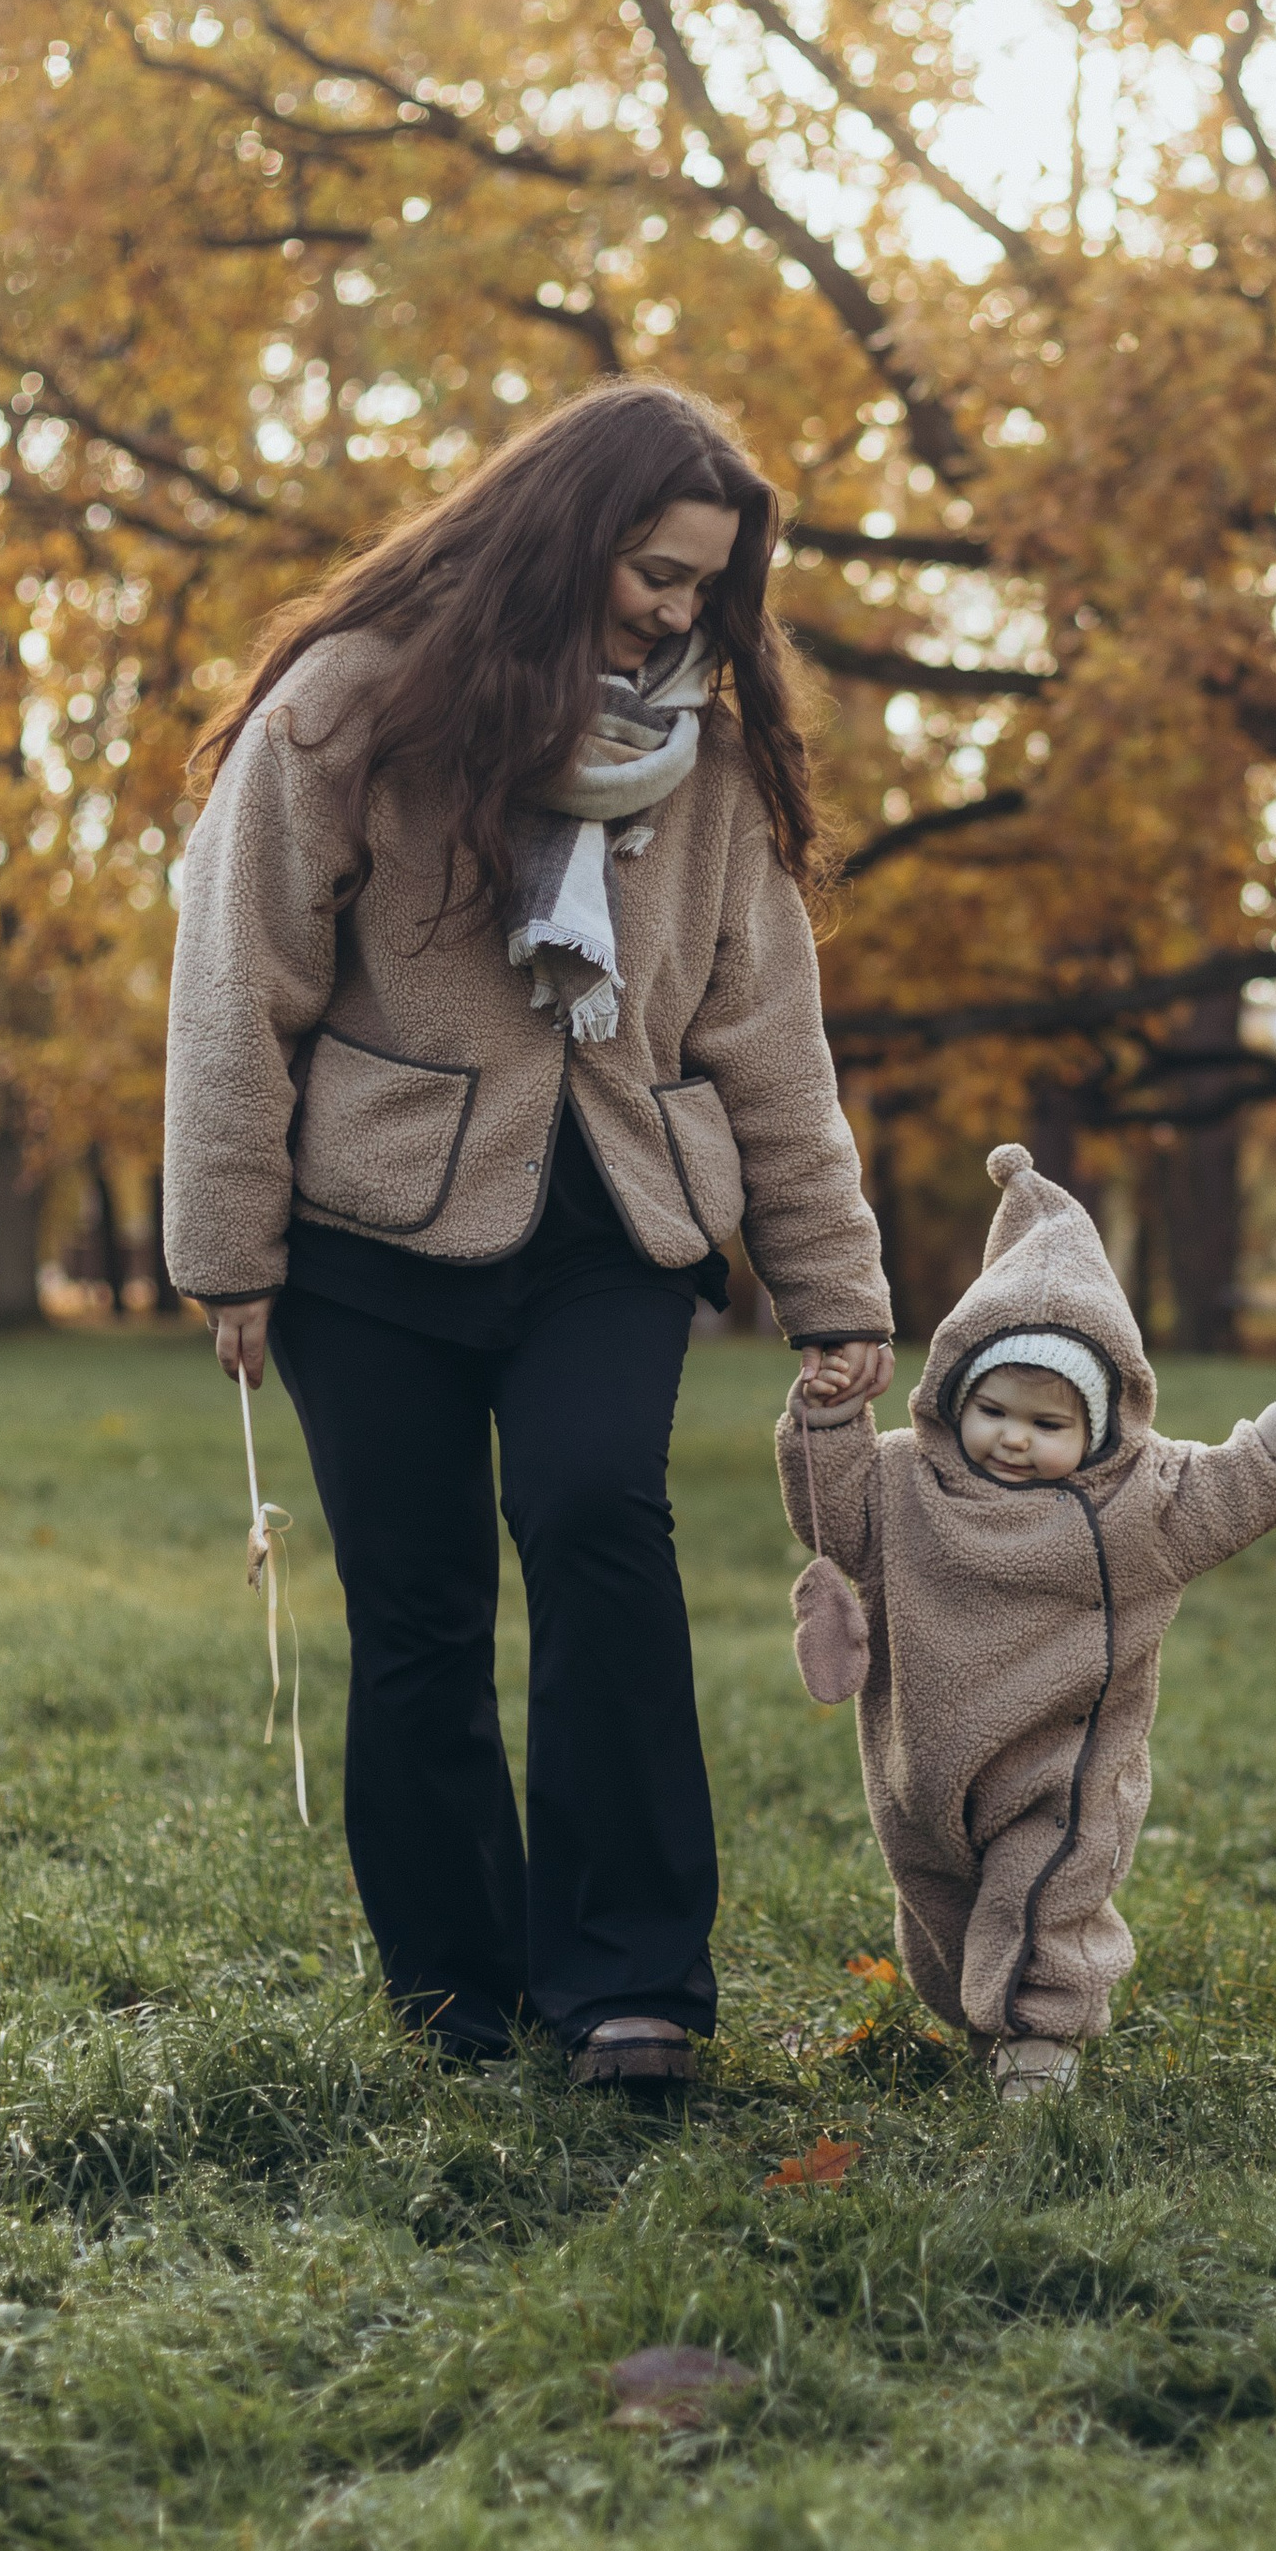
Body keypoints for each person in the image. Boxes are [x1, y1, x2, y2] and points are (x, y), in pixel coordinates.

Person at [161, 382, 894, 2088]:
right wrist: (230, 1252)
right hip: (364, 1237)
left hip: (619, 1222)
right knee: (416, 1610)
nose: (678, 612)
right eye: (655, 571)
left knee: (598, 1525)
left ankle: (633, 1988)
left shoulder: (710, 766)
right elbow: (235, 981)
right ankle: (459, 1996)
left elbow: (768, 1039)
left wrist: (832, 1284)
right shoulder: (350, 709)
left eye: (707, 585)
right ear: (563, 535)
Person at [782, 1141, 1276, 2101]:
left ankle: (1040, 2043)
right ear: (954, 1394)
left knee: (1043, 1889)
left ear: (1098, 1426)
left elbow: (1229, 1488)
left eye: (1048, 1425)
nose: (1013, 1437)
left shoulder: (1135, 1503)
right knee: (942, 1910)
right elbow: (828, 1513)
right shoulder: (903, 1481)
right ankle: (987, 2017)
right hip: (922, 1766)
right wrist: (831, 1418)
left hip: (1061, 1768)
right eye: (993, 1409)